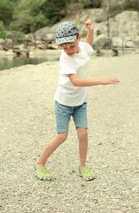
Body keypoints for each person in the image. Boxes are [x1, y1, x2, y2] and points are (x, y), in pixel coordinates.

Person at [34, 19, 120, 181]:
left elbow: (87, 46)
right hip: (64, 102)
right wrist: (101, 81)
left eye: (71, 46)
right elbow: (76, 81)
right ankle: (40, 163)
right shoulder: (66, 58)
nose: (68, 50)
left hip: (80, 102)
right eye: (63, 47)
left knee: (83, 134)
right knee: (62, 136)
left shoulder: (82, 47)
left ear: (78, 38)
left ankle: (82, 165)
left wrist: (91, 31)